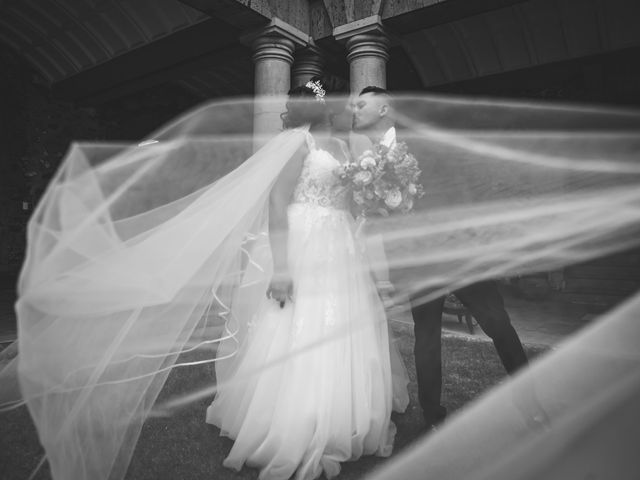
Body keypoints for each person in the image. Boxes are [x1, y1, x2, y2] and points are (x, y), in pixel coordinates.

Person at [206, 77, 409, 480]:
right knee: (295, 325)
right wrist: (281, 269)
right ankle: (288, 421)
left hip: (341, 245)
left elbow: (352, 201)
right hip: (303, 244)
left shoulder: (349, 145)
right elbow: (277, 204)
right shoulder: (299, 144)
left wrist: (379, 198)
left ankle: (337, 415)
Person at [352, 85, 529, 430]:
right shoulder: (370, 159)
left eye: (361, 103)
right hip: (417, 262)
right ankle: (433, 415)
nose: (353, 109)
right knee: (426, 335)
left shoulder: (417, 140)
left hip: (458, 252)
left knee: (498, 325)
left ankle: (530, 400)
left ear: (384, 108)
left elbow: (458, 180)